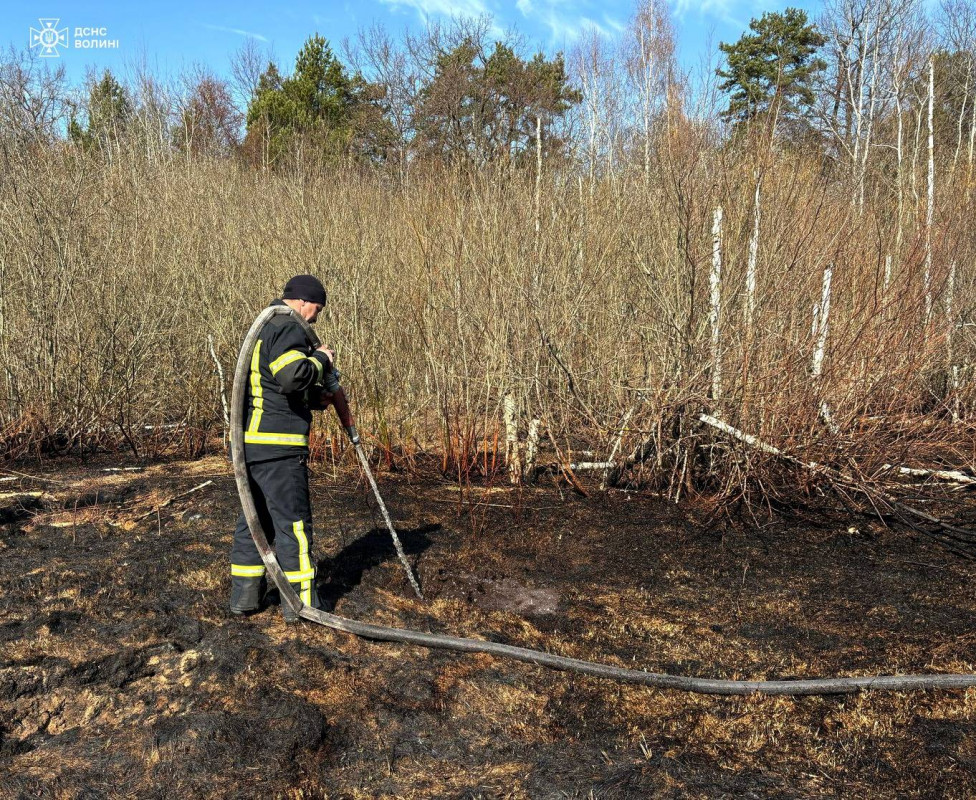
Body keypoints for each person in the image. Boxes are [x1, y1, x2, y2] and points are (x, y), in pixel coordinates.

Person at [229, 274, 351, 622]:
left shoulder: (264, 328)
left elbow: (274, 385)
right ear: (303, 301)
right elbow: (290, 376)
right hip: (279, 447)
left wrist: (315, 399)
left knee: (255, 523)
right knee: (293, 527)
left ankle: (245, 597)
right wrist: (322, 359)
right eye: (318, 308)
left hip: (251, 446)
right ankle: (302, 605)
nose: (316, 316)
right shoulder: (289, 327)